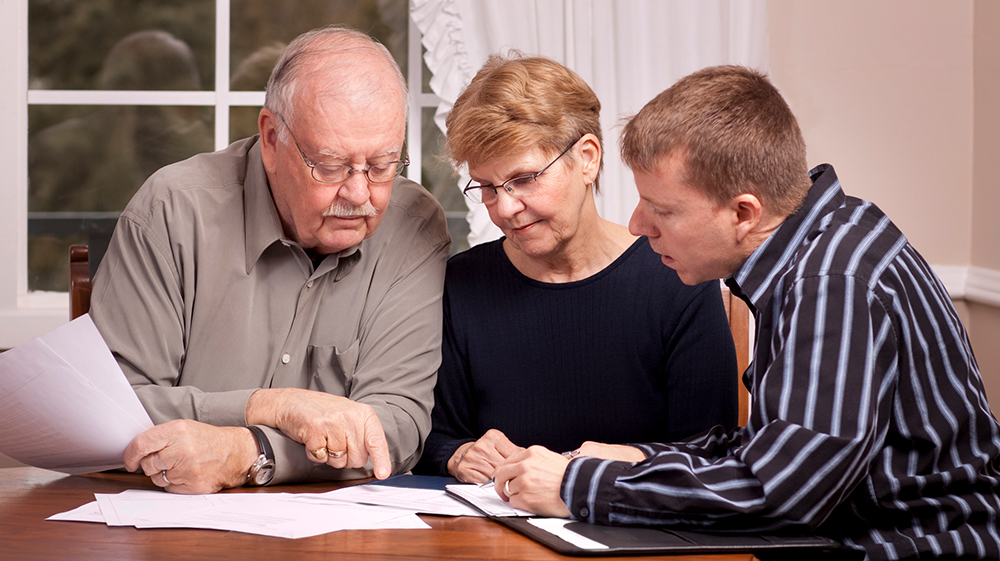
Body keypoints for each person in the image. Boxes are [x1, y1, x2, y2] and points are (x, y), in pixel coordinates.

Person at [492, 66, 1000, 560]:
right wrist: (646, 458)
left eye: (662, 209)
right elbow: (776, 447)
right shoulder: (829, 236)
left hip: (906, 547)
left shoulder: (831, 284)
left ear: (743, 213)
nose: (638, 224)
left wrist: (577, 484)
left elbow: (784, 494)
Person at [88, 26, 451, 494]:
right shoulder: (173, 210)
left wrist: (250, 452)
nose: (360, 194)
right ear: (272, 138)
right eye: (330, 165)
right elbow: (112, 408)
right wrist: (271, 407)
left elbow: (396, 427)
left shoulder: (413, 224)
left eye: (382, 166)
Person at [413, 54, 738, 483]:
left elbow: (708, 452)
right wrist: (458, 454)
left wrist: (579, 472)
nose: (505, 208)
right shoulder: (462, 283)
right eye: (488, 188)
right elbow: (433, 438)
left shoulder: (678, 279)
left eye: (525, 179)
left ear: (587, 158)